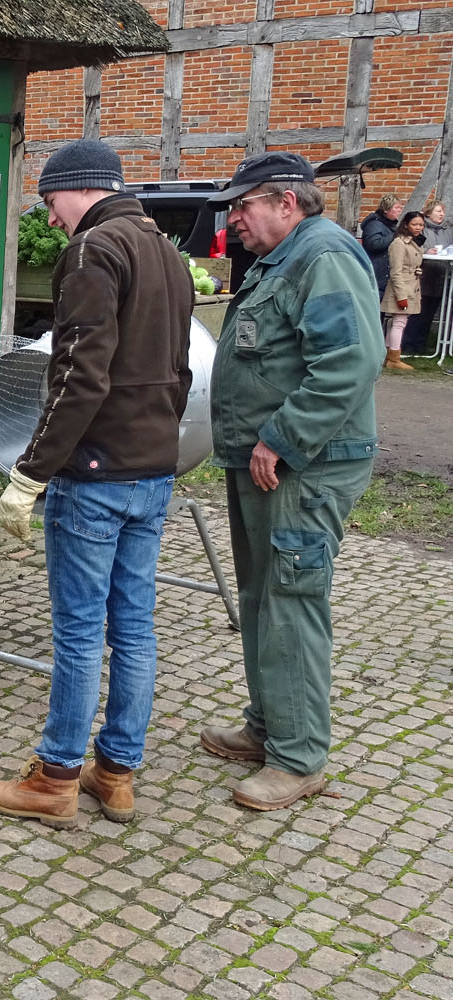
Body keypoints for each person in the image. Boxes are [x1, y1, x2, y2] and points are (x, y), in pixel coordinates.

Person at [0, 140, 193, 829]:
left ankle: (57, 776)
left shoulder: (96, 251)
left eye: (49, 203)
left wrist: (29, 473)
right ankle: (118, 773)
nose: (52, 221)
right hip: (154, 470)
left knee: (77, 631)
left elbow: (78, 377)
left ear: (79, 190)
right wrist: (156, 442)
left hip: (94, 476)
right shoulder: (166, 252)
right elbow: (182, 371)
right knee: (133, 628)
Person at [200, 152, 382, 811]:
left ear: (287, 202)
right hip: (267, 464)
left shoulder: (323, 255)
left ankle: (299, 757)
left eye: (244, 206)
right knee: (263, 597)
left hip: (304, 466)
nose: (234, 218)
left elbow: (350, 361)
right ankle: (269, 725)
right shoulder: (287, 257)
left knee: (292, 599)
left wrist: (282, 436)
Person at [381, 211, 425, 371]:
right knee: (399, 322)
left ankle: (387, 355)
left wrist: (417, 271)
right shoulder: (399, 243)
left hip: (412, 285)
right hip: (402, 287)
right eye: (415, 224)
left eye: (421, 224)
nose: (418, 228)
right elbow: (395, 271)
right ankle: (394, 357)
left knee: (397, 323)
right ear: (406, 224)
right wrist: (401, 295)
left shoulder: (414, 242)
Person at [403, 202, 449, 357]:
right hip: (424, 276)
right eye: (438, 211)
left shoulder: (446, 231)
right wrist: (427, 250)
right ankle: (408, 344)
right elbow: (415, 248)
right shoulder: (422, 229)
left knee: (429, 314)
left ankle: (421, 344)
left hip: (441, 275)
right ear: (429, 213)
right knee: (418, 313)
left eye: (442, 211)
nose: (441, 214)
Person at [360, 193, 403, 299]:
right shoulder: (374, 224)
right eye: (396, 207)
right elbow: (373, 244)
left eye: (400, 207)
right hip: (376, 272)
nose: (400, 210)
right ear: (386, 210)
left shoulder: (389, 225)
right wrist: (395, 235)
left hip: (382, 274)